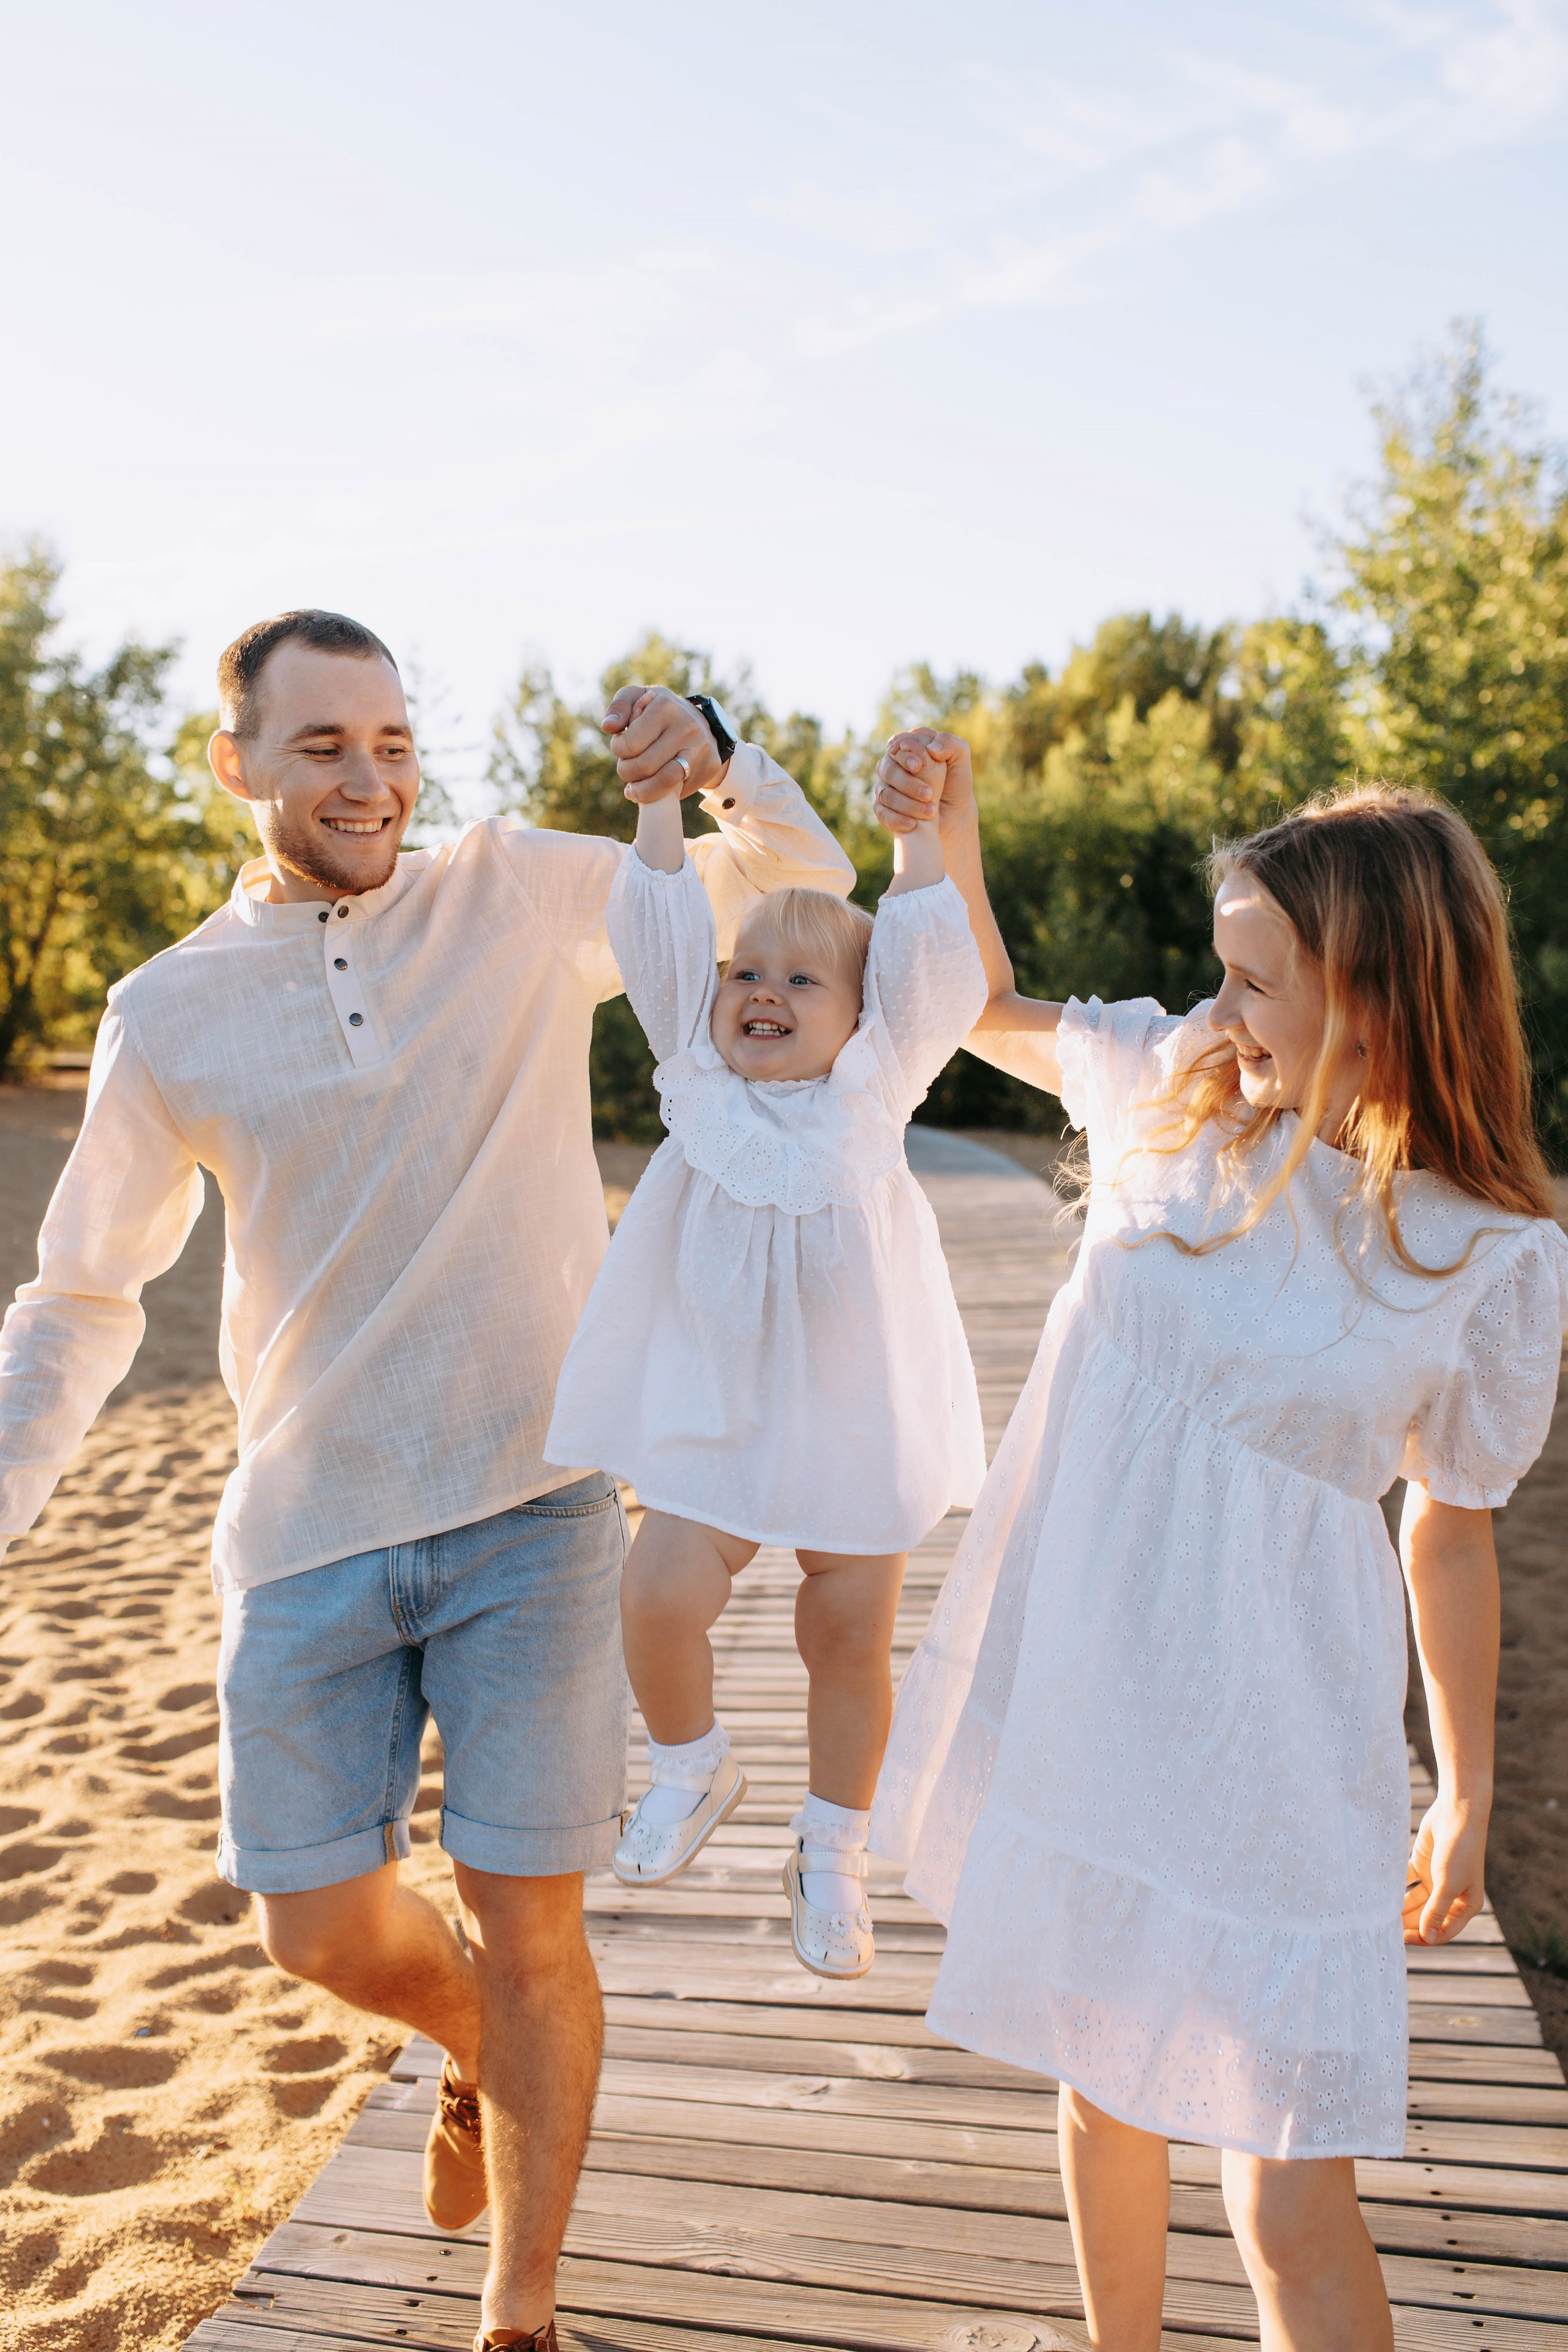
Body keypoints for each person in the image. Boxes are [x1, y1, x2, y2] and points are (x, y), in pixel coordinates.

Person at [0, 609, 853, 2352]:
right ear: (233, 764)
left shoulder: (525, 895)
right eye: (323, 747)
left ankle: (519, 2312)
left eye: (392, 741)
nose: (371, 778)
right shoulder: (168, 1013)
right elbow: (85, 1290)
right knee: (310, 1930)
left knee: (538, 1930)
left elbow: (801, 893)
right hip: (303, 1525)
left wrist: (713, 752)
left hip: (534, 1508)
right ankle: (464, 2043)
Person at [869, 731, 1568, 2351]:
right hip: (1097, 1685)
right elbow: (975, 1005)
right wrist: (941, 840)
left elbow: (1448, 1539)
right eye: (1221, 970)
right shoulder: (1169, 1095)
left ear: (1382, 998)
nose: (1222, 1010)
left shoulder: (1490, 1254)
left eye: (1258, 981)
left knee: (1284, 2196)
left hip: (1280, 1742)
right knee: (1104, 2087)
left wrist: (1465, 1789)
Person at [543, 722, 989, 1980]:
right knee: (657, 1593)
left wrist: (914, 832)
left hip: (853, 1410)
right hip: (713, 1407)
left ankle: (832, 1847)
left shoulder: (877, 1082)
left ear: (863, 1018)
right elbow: (663, 928)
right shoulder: (691, 1075)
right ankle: (693, 1766)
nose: (763, 995)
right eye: (750, 975)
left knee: (845, 1630)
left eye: (803, 984)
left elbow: (927, 952)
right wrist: (652, 807)